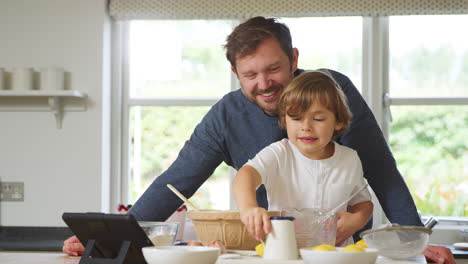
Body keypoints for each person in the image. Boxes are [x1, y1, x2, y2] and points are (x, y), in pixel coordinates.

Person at [63, 16, 455, 264]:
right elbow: (176, 181)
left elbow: (380, 173)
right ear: (235, 73)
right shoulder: (226, 115)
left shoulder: (334, 92)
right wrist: (112, 239)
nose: (264, 84)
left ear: (294, 58)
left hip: (332, 254)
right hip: (266, 252)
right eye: (250, 74)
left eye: (273, 69)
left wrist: (413, 242)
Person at [233, 70, 373, 246]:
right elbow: (245, 175)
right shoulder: (279, 153)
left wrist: (357, 220)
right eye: (296, 118)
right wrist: (249, 208)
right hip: (285, 253)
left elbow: (363, 203)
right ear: (284, 120)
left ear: (338, 121)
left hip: (334, 256)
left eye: (318, 119)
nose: (306, 127)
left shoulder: (349, 159)